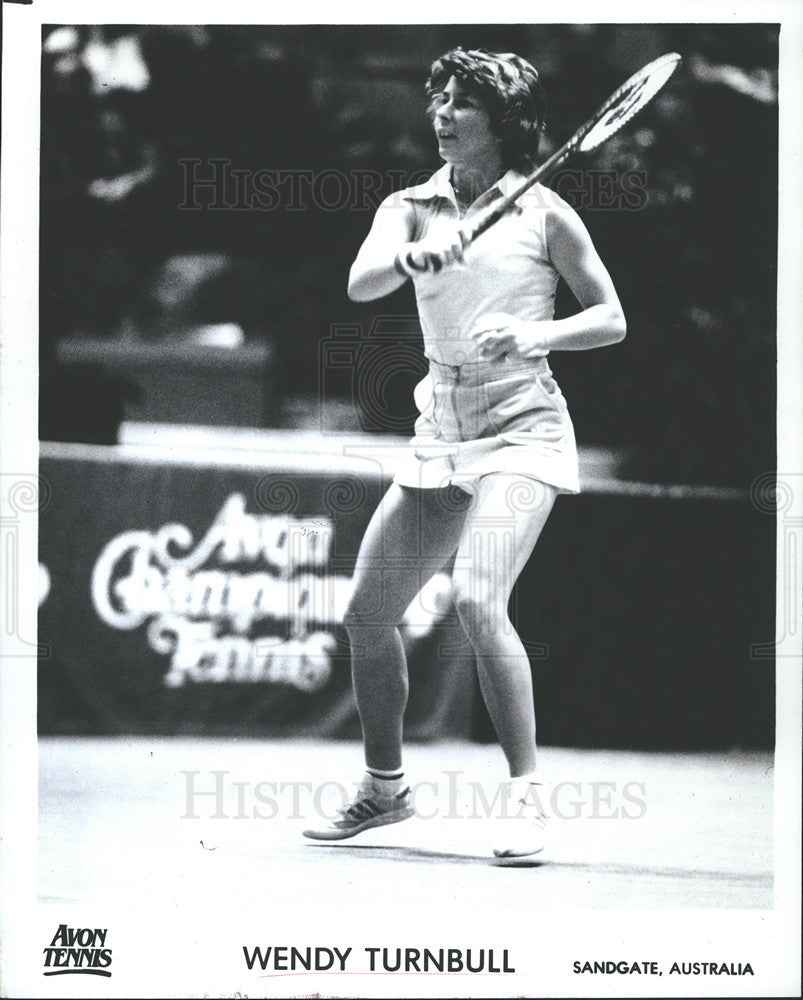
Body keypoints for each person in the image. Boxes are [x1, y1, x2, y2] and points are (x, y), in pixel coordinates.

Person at [303, 47, 626, 856]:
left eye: (461, 103)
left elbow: (611, 317)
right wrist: (413, 256)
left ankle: (525, 801)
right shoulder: (409, 206)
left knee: (481, 599)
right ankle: (385, 791)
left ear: (502, 120)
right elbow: (362, 282)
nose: (441, 113)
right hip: (440, 432)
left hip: (523, 429)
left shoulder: (548, 214)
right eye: (437, 98)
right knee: (367, 616)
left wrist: (533, 333)